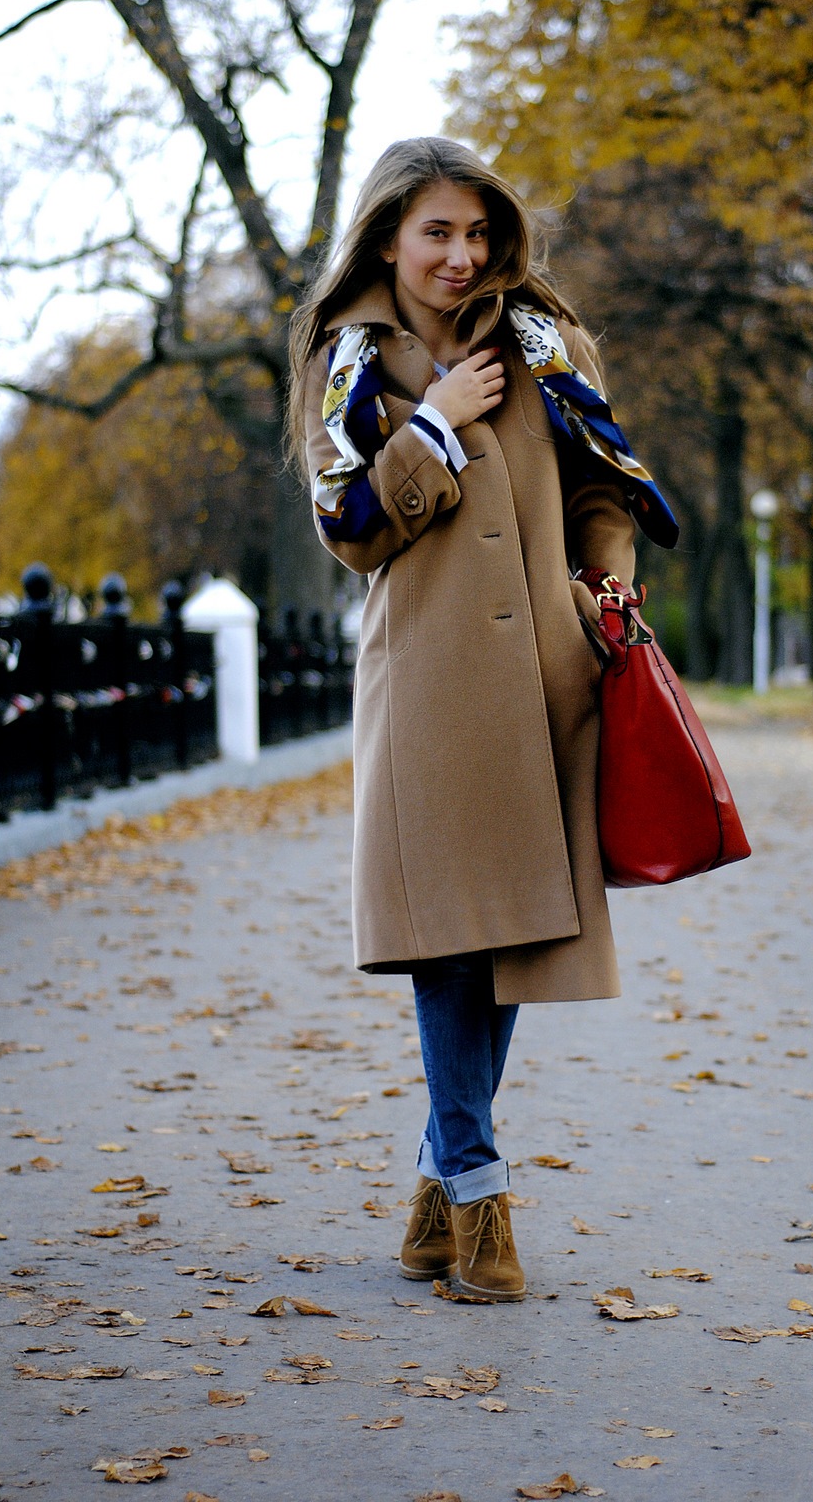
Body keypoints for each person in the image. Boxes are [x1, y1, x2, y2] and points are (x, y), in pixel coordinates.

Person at [286, 138, 678, 1300]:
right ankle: (477, 1188)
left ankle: (435, 1188)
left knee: (513, 935)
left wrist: (605, 578)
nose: (460, 258)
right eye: (436, 235)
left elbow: (604, 484)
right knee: (451, 943)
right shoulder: (348, 365)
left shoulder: (550, 343)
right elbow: (352, 527)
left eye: (475, 234)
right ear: (389, 240)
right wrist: (436, 426)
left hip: (552, 677)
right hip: (429, 691)